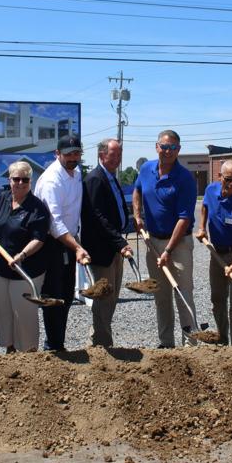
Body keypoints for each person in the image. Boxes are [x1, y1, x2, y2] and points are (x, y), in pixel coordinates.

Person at [133, 129, 198, 348]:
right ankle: (166, 343)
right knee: (160, 296)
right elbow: (137, 190)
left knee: (182, 293)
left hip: (178, 244)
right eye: (164, 146)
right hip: (153, 241)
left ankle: (190, 343)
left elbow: (184, 219)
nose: (168, 151)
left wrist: (168, 251)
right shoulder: (146, 169)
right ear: (156, 147)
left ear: (178, 150)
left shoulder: (185, 179)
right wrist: (137, 214)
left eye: (172, 148)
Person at [0, 161, 50, 353]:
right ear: (9, 180)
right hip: (2, 269)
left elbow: (39, 239)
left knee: (24, 315)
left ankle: (28, 354)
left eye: (25, 180)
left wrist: (21, 255)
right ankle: (9, 350)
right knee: (3, 313)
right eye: (16, 179)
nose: (20, 183)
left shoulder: (37, 208)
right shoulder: (2, 199)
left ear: (30, 181)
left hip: (26, 270)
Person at [33, 135, 91, 352]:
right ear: (57, 154)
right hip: (52, 244)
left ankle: (58, 343)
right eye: (68, 154)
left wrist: (76, 242)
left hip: (68, 241)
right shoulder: (51, 180)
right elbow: (54, 222)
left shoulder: (76, 175)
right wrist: (76, 246)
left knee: (66, 295)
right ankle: (52, 346)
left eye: (77, 153)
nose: (73, 158)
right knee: (54, 296)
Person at [195, 160, 232, 345]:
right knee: (218, 299)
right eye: (228, 179)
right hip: (217, 254)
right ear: (219, 177)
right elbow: (205, 206)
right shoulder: (211, 191)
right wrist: (202, 227)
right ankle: (222, 338)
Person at [81, 138, 134, 347]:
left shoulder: (111, 177)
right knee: (104, 298)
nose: (118, 159)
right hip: (102, 250)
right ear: (102, 155)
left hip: (114, 249)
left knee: (111, 298)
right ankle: (102, 344)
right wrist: (120, 243)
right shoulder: (95, 179)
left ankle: (99, 340)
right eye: (114, 155)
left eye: (120, 154)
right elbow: (97, 216)